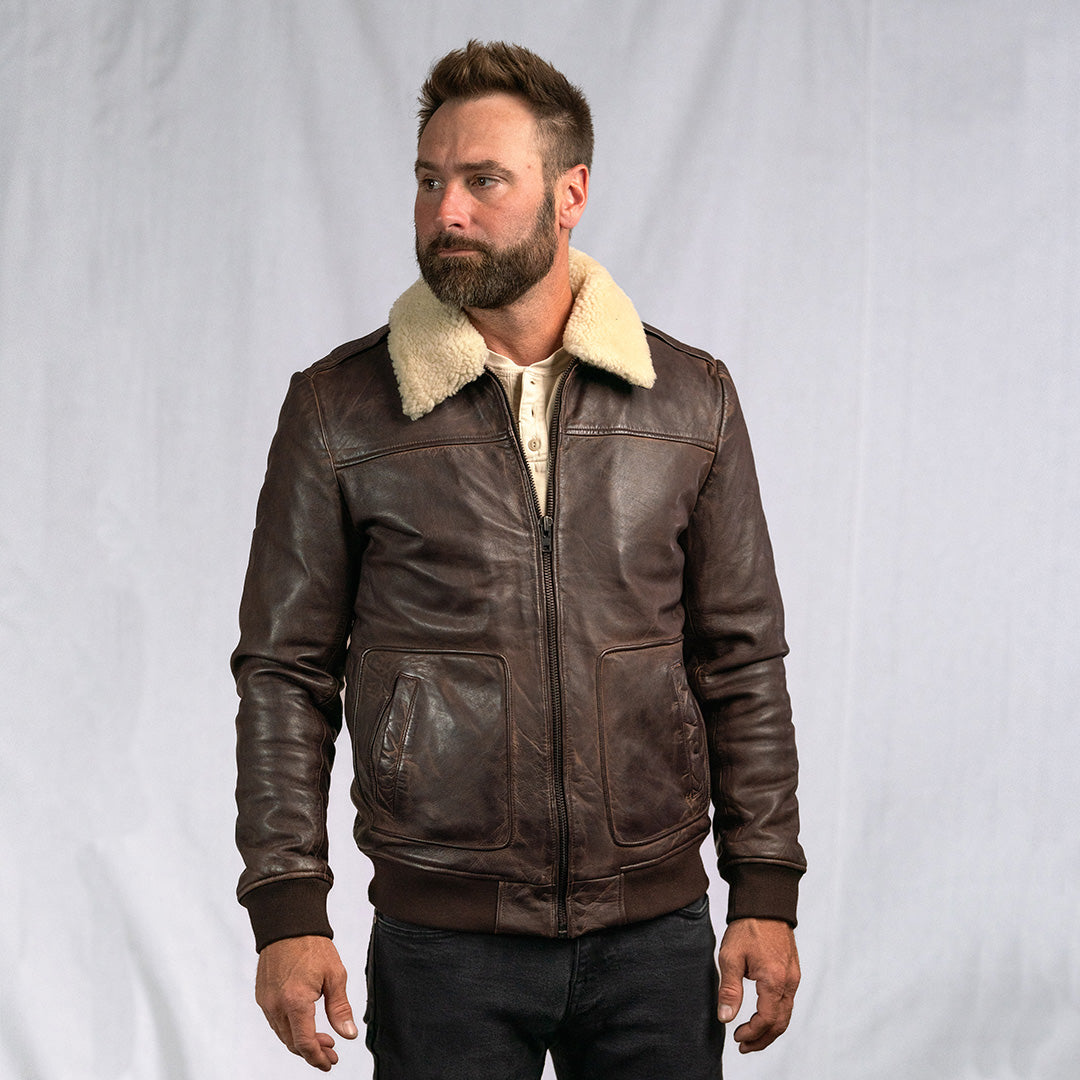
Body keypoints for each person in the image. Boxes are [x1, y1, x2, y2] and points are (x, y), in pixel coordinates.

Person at [233, 40, 805, 1078]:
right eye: (429, 180)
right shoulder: (339, 409)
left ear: (569, 192)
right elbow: (285, 672)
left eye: (483, 180)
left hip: (656, 933)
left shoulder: (691, 401)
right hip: (442, 939)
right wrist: (287, 907)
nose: (445, 210)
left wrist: (764, 886)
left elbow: (741, 659)